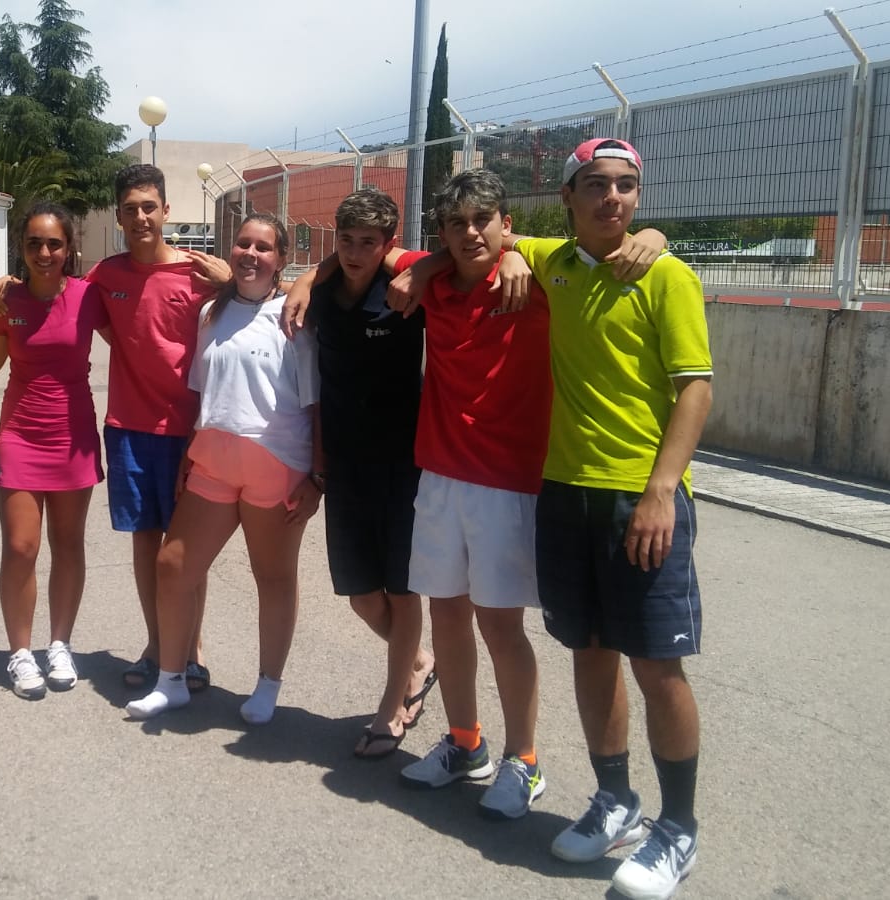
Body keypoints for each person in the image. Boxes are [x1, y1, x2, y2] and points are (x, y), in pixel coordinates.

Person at [518, 139, 712, 900]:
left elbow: (694, 388)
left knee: (657, 666)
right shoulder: (555, 261)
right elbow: (485, 237)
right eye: (596, 184)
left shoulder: (667, 274)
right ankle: (616, 801)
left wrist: (662, 490)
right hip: (565, 491)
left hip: (643, 496)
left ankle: (679, 828)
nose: (613, 198)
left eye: (627, 186)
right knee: (590, 649)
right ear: (567, 196)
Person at [0, 164, 228, 694]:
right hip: (129, 427)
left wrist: (245, 281)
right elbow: (47, 297)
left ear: (166, 211)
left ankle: (191, 651)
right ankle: (157, 646)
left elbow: (262, 301)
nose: (140, 217)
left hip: (190, 430)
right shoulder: (105, 278)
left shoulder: (201, 275)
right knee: (145, 545)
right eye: (130, 209)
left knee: (184, 550)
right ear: (118, 216)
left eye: (149, 207)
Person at [388, 170, 552, 822]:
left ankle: (525, 761)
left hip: (505, 483)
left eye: (484, 220)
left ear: (506, 224)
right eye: (457, 224)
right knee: (447, 615)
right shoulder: (434, 283)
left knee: (500, 625)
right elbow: (369, 253)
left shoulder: (533, 281)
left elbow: (600, 247)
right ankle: (465, 744)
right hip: (438, 477)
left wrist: (519, 252)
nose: (471, 233)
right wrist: (425, 267)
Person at [126, 214, 322, 724]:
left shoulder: (297, 316)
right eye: (243, 244)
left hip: (277, 467)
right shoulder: (211, 312)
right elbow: (204, 392)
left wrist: (318, 478)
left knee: (273, 578)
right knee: (174, 566)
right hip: (212, 462)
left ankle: (267, 686)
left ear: (281, 260)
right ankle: (171, 681)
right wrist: (189, 453)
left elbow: (318, 406)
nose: (250, 254)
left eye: (263, 247)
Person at [301, 189, 437, 758]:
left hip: (405, 466)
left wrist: (418, 267)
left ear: (389, 243)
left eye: (368, 242)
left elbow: (459, 256)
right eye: (346, 241)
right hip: (346, 465)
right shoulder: (321, 292)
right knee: (360, 594)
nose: (355, 253)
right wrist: (311, 275)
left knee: (402, 591)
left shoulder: (408, 288)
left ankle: (391, 708)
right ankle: (419, 660)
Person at [0, 202, 108, 700]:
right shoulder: (5, 299)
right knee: (20, 547)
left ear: (69, 248)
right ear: (22, 247)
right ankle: (20, 652)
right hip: (20, 434)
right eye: (34, 243)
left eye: (54, 243)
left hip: (74, 436)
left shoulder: (88, 295)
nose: (44, 252)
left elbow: (134, 335)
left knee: (68, 543)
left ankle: (59, 644)